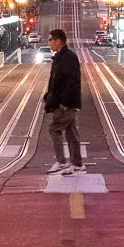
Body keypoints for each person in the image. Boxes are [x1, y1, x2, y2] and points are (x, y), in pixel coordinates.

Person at [43, 27, 84, 172]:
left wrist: (64, 103)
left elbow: (72, 81)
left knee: (54, 129)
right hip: (63, 102)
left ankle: (61, 162)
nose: (49, 43)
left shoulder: (68, 57)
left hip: (65, 104)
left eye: (50, 40)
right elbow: (57, 81)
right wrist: (49, 96)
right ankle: (77, 164)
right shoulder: (61, 57)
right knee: (71, 132)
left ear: (58, 41)